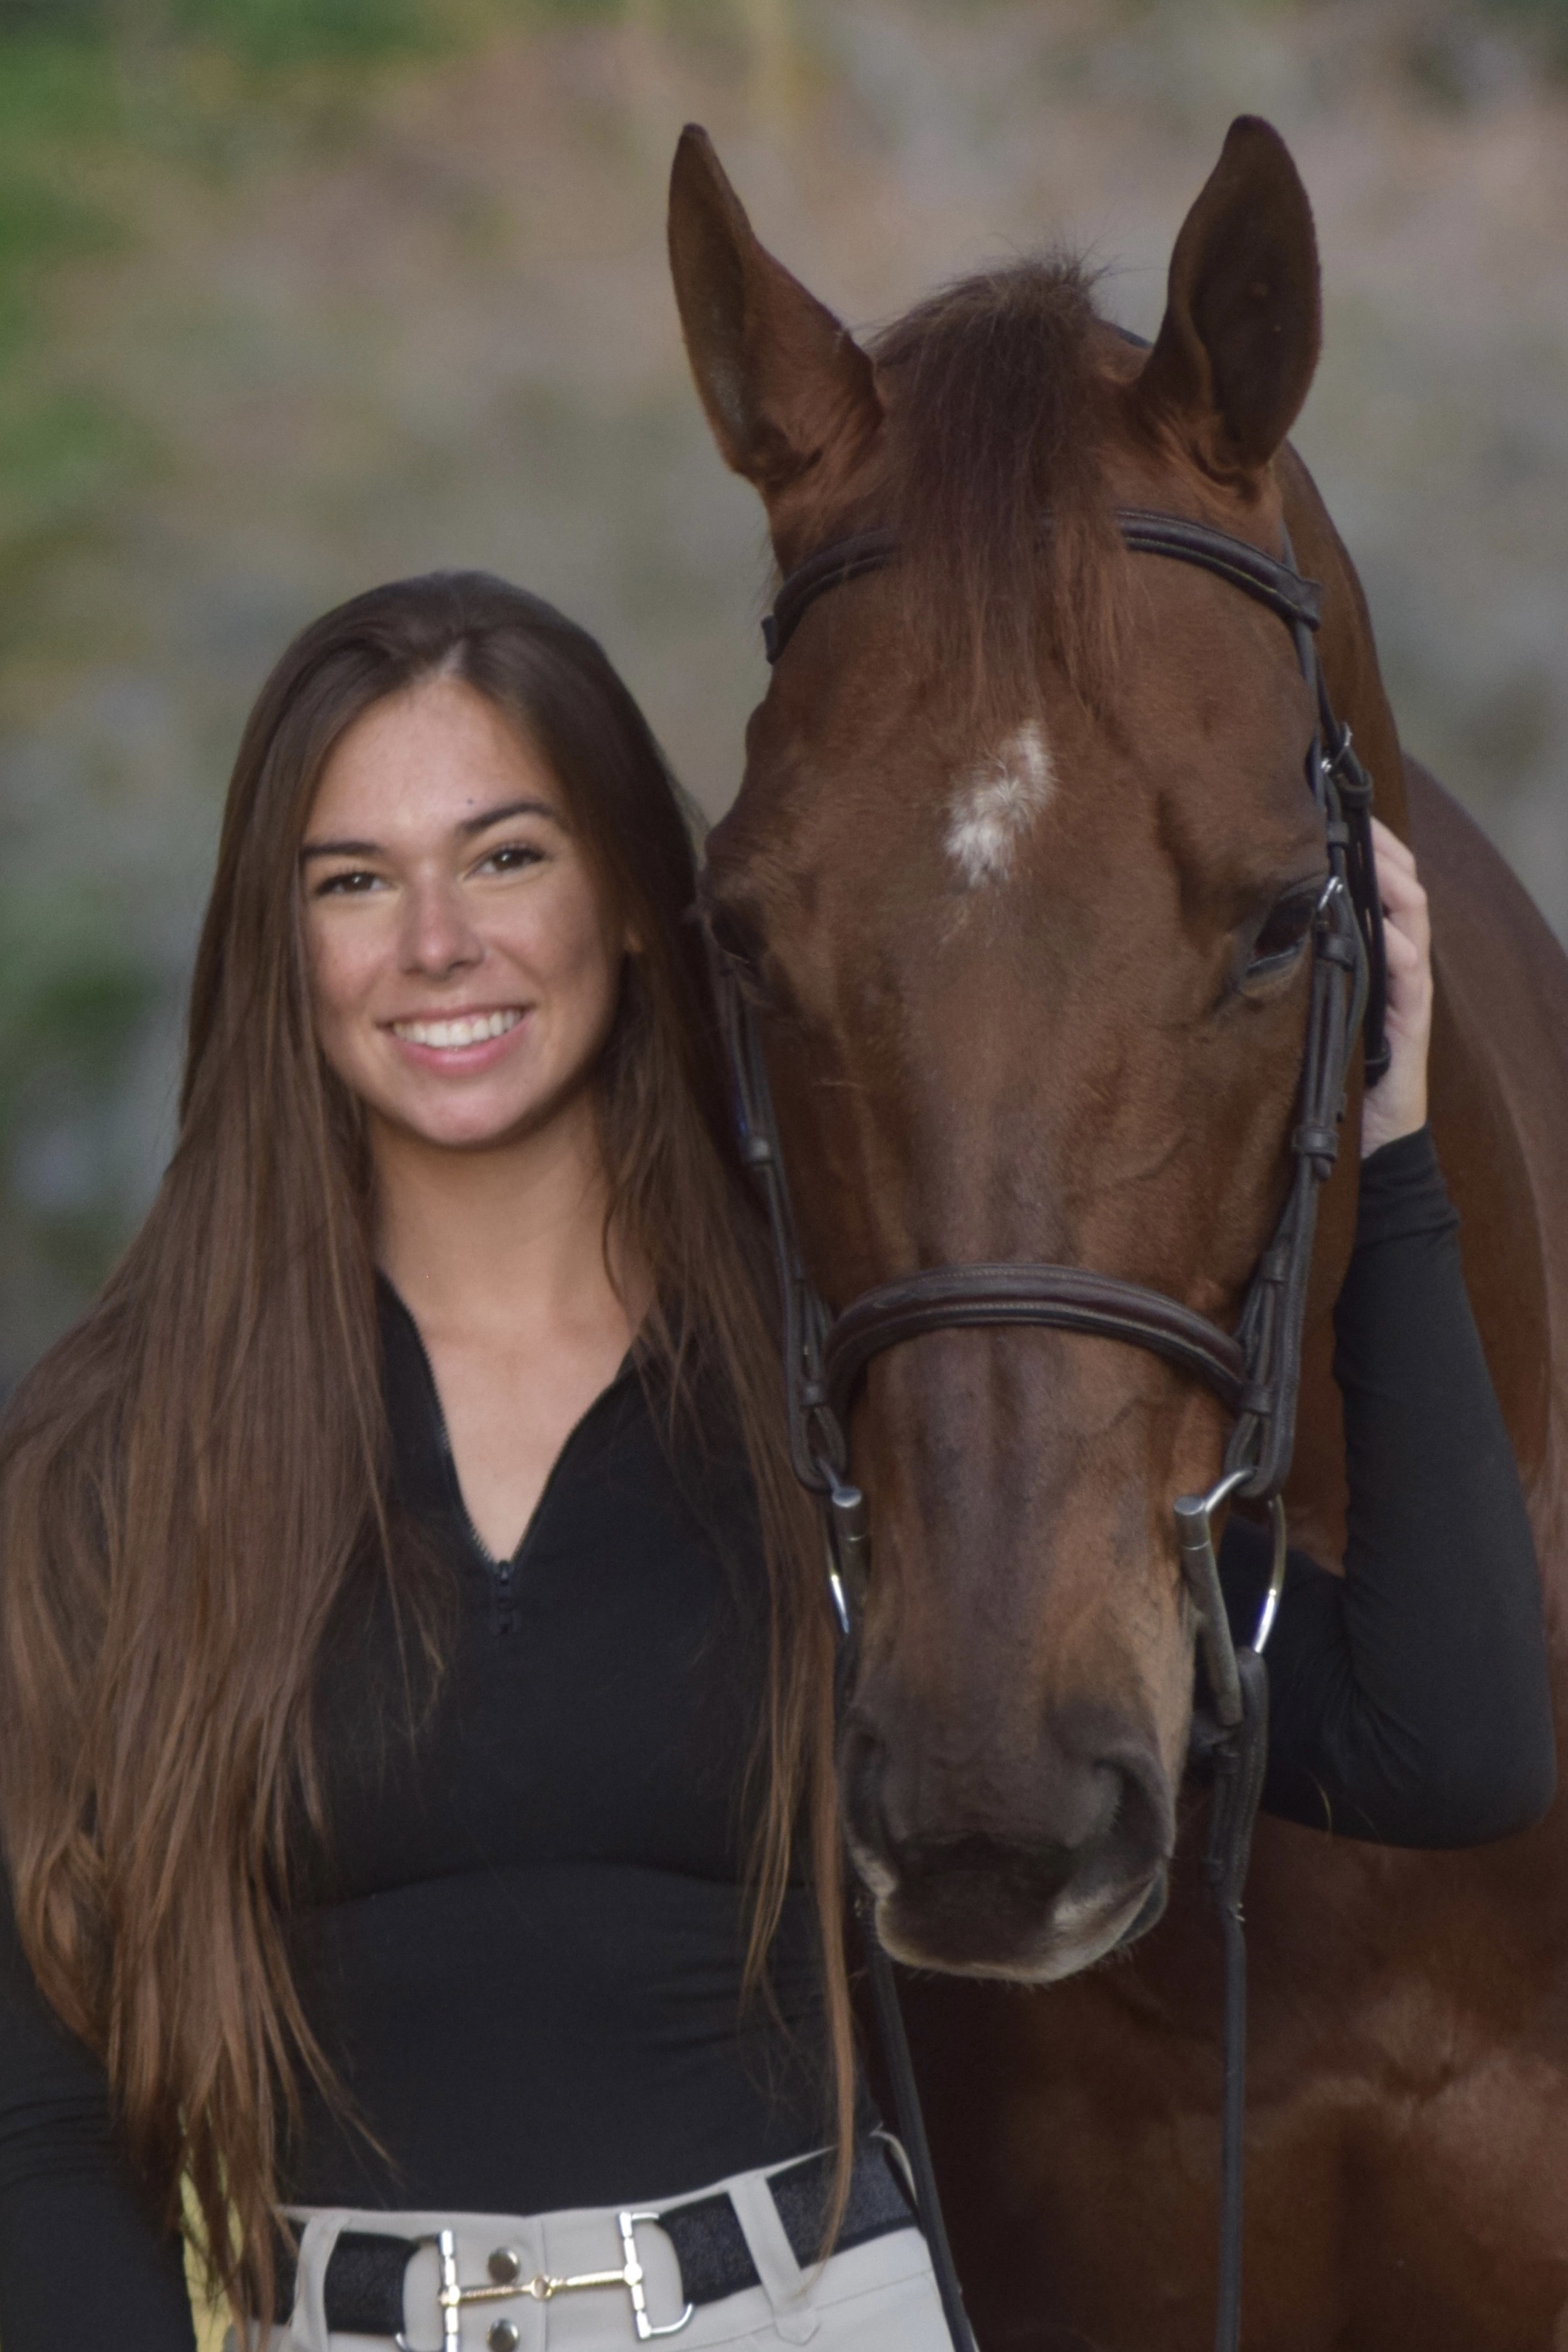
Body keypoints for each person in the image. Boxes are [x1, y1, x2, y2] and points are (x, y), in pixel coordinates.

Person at [0, 572, 1551, 2352]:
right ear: (285, 946)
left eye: (508, 856)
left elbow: (1450, 1741)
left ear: (644, 911)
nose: (437, 939)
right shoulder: (121, 1455)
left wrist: (1400, 1141)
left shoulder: (850, 1415)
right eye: (355, 879)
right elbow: (34, 2109)